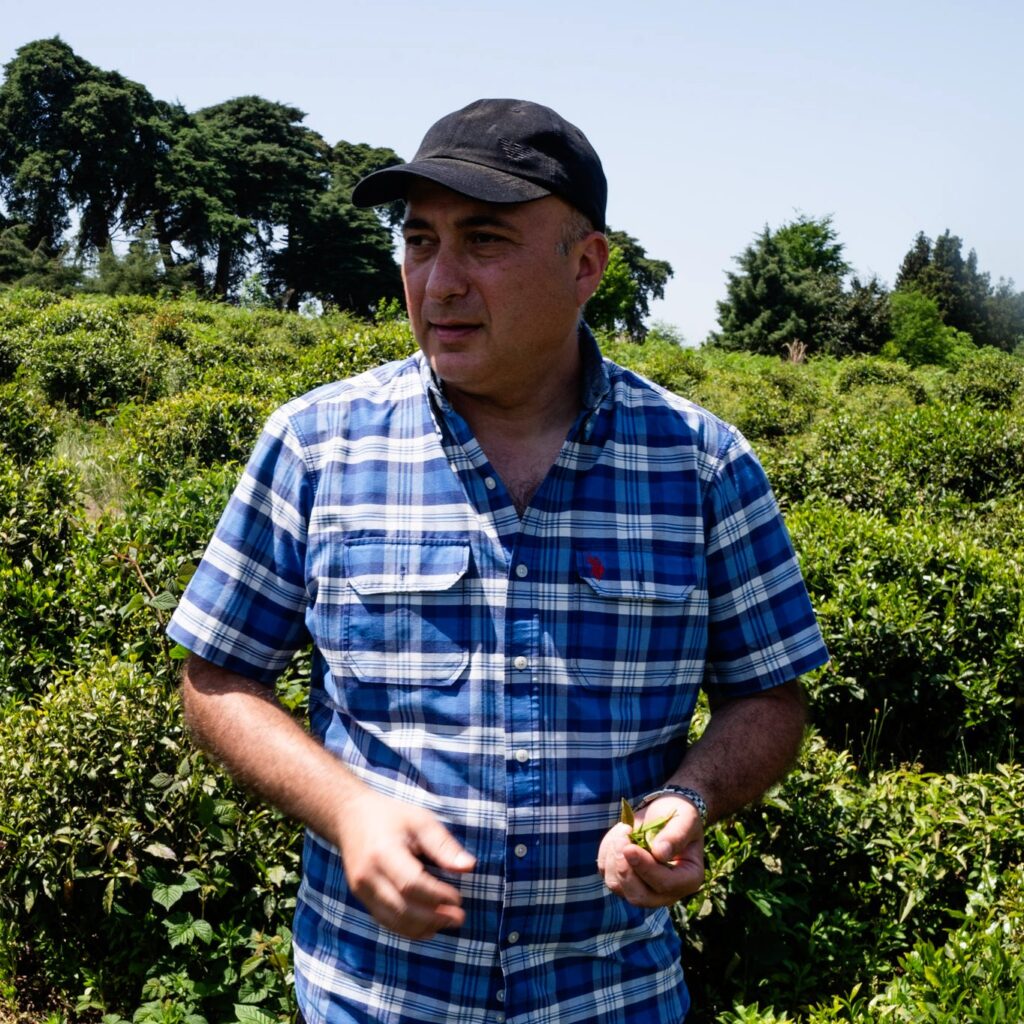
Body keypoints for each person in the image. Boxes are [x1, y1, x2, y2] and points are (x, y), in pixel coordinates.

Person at [167, 97, 829, 1024]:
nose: (438, 282)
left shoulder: (703, 464)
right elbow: (217, 676)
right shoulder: (317, 445)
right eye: (419, 241)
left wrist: (692, 795)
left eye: (483, 242)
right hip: (375, 995)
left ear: (586, 264)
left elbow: (771, 692)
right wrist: (348, 811)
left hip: (612, 995)